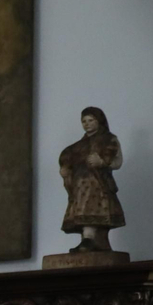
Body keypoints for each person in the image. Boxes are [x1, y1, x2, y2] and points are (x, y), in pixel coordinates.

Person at [59, 107, 127, 253]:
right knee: (81, 207)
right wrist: (65, 169)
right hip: (80, 184)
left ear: (99, 121)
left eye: (91, 120)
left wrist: (102, 162)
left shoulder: (109, 139)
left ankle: (89, 239)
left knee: (92, 207)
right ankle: (87, 239)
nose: (87, 124)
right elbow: (68, 158)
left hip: (98, 183)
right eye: (84, 121)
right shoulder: (78, 146)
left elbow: (117, 161)